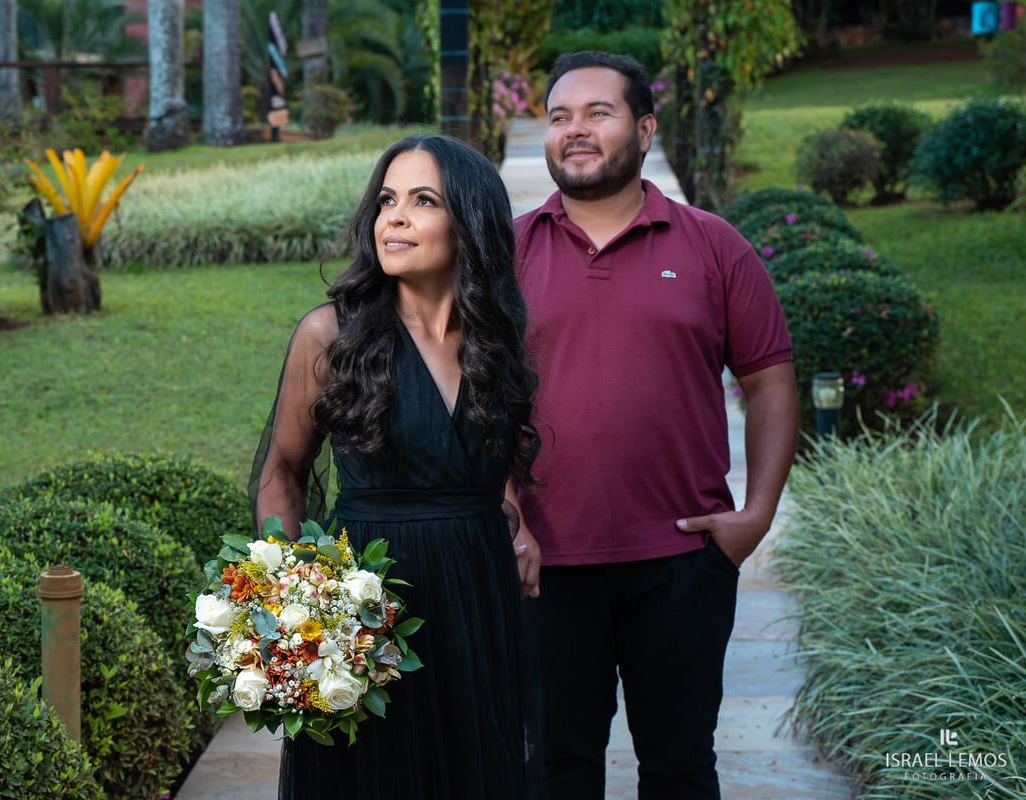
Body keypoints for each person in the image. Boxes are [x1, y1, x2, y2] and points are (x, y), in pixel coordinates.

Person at [513, 51, 800, 799]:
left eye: (597, 114)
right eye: (559, 116)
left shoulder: (713, 245)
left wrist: (757, 515)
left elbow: (769, 380)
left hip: (682, 565)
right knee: (552, 771)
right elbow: (463, 394)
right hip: (542, 565)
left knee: (678, 770)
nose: (574, 131)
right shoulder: (503, 252)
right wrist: (502, 513)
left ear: (644, 131)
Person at [250, 134, 547, 800]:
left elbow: (487, 461)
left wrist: (516, 521)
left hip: (477, 594)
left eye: (422, 200)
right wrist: (293, 597)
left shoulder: (498, 339)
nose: (395, 217)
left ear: (468, 223)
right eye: (386, 200)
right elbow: (282, 475)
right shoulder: (330, 335)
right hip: (367, 603)